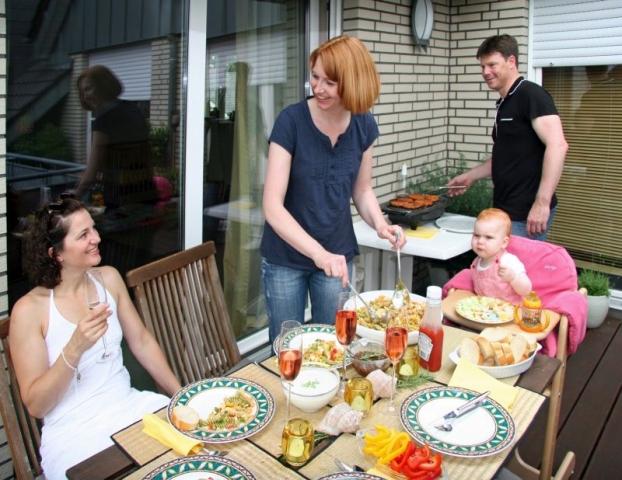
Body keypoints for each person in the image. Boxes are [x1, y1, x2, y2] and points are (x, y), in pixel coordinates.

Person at [9, 195, 181, 479]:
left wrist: (180, 396)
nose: (97, 238)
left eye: (94, 228)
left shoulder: (108, 278)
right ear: (56, 254)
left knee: (196, 455)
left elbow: (142, 341)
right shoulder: (30, 310)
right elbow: (37, 405)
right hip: (74, 435)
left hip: (129, 407)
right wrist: (74, 349)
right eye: (84, 234)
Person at [260, 35, 405, 344]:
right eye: (315, 76)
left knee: (335, 346)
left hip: (336, 257)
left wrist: (381, 225)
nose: (318, 88)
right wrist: (318, 253)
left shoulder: (364, 124)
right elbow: (272, 206)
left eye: (330, 82)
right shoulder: (291, 122)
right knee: (288, 347)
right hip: (286, 257)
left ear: (352, 82)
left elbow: (362, 190)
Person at [447, 34, 568, 241]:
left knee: (515, 272)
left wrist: (542, 203)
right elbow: (506, 155)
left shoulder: (531, 95)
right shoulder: (505, 103)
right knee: (502, 270)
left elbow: (557, 145)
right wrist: (470, 176)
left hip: (526, 213)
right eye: (482, 66)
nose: (486, 72)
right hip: (506, 209)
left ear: (511, 61)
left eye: (492, 65)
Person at [470, 208, 532, 305]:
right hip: (485, 312)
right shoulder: (477, 261)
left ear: (504, 242)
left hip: (511, 312)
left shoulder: (508, 261)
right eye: (476, 235)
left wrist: (513, 278)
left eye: (488, 237)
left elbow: (527, 290)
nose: (480, 241)